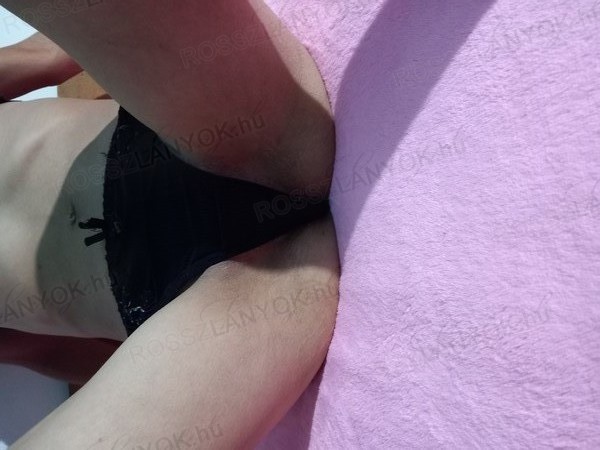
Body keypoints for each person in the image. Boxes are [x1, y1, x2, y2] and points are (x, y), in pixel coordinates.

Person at [0, 1, 340, 448]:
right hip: (186, 301)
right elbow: (41, 349)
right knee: (291, 154)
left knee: (293, 150)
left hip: (190, 148)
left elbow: (44, 57)